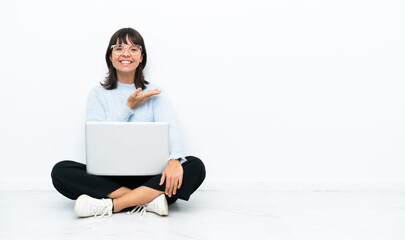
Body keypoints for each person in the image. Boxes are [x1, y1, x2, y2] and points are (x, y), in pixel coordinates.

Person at [51, 27, 206, 218]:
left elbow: (170, 127)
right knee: (61, 171)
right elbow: (98, 138)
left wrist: (174, 160)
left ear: (141, 57)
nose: (126, 54)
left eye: (133, 49)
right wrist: (128, 106)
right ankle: (148, 201)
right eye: (119, 48)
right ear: (110, 56)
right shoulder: (97, 94)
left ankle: (111, 206)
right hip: (110, 178)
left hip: (151, 176)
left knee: (195, 166)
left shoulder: (155, 92)